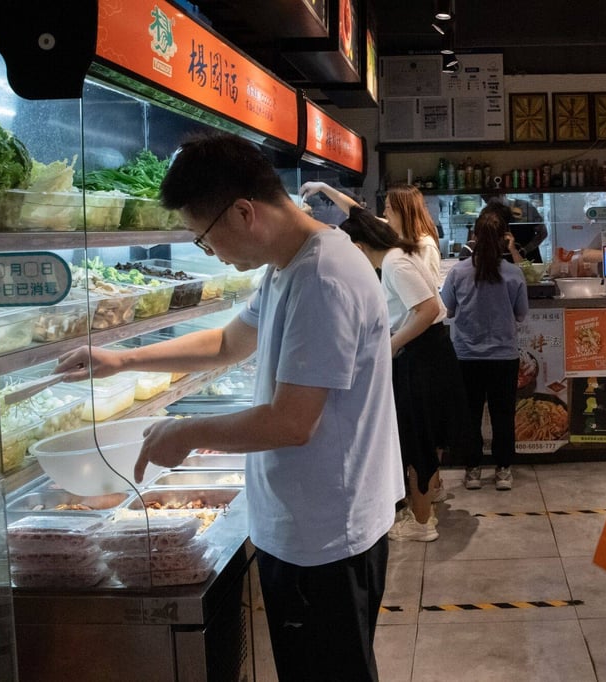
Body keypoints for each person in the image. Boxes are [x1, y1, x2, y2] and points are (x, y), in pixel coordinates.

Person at [54, 133, 404, 681]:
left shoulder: (324, 278)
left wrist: (188, 432)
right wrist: (123, 360)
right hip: (307, 525)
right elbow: (227, 343)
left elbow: (292, 423)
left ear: (244, 212)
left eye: (204, 239)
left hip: (326, 538)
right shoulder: (288, 265)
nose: (209, 252)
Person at [339, 207, 461, 542]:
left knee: (414, 437)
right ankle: (429, 498)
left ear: (360, 246)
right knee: (427, 434)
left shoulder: (393, 263)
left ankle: (422, 523)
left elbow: (428, 309)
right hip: (431, 354)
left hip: (421, 358)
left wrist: (391, 345)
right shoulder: (398, 255)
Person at [441, 210, 529, 490]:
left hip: (467, 356)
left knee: (470, 415)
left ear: (474, 237)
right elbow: (521, 314)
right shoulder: (514, 273)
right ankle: (503, 470)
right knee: (503, 415)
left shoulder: (458, 272)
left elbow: (448, 310)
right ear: (505, 239)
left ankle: (473, 469)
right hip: (504, 357)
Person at [301, 181, 443, 286]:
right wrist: (323, 187)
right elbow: (357, 213)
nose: (384, 212)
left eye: (388, 207)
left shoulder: (425, 245)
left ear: (403, 210)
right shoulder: (392, 231)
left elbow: (429, 299)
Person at [480, 193, 548, 262]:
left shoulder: (525, 207)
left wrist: (525, 250)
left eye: (494, 201)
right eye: (487, 201)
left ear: (503, 194)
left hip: (529, 258)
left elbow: (543, 233)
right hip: (501, 261)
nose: (491, 205)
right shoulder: (487, 212)